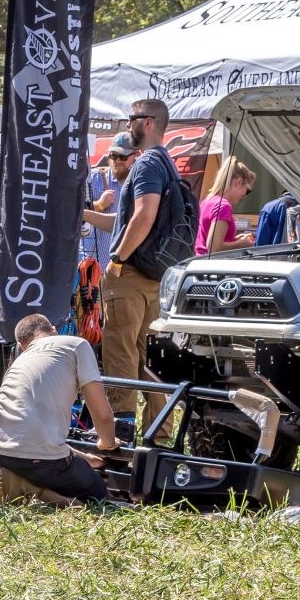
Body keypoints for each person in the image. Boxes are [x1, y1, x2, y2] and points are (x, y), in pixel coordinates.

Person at [0, 313, 121, 505]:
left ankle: (20, 483)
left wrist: (86, 458)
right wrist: (107, 443)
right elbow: (102, 415)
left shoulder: (20, 362)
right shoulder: (76, 344)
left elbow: (31, 430)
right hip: (36, 458)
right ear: (53, 330)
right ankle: (33, 491)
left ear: (22, 346)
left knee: (37, 465)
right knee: (97, 493)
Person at [102, 97, 175, 425]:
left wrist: (117, 258)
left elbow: (144, 215)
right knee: (151, 358)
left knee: (121, 349)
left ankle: (122, 429)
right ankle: (159, 433)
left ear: (148, 122)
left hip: (131, 273)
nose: (127, 124)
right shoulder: (167, 163)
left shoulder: (145, 163)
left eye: (131, 118)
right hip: (155, 274)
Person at [81, 132, 138, 272]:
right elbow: (71, 209)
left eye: (123, 157)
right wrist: (99, 204)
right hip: (87, 265)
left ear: (135, 156)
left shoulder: (139, 185)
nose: (117, 161)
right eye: (113, 155)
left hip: (119, 269)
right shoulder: (95, 178)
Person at [196, 156, 256, 255]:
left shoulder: (206, 201)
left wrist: (235, 240)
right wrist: (240, 244)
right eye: (248, 190)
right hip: (214, 266)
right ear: (238, 182)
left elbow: (206, 240)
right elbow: (213, 248)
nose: (245, 195)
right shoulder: (224, 206)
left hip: (199, 263)